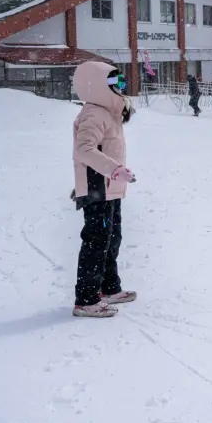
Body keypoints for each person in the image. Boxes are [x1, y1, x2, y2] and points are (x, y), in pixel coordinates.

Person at [71, 61, 138, 318]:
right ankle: (87, 300)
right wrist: (113, 170)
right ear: (97, 86)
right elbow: (84, 150)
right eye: (114, 83)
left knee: (111, 240)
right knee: (96, 243)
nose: (120, 88)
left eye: (121, 83)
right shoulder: (94, 114)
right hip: (99, 187)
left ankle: (109, 288)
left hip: (110, 188)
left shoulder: (107, 113)